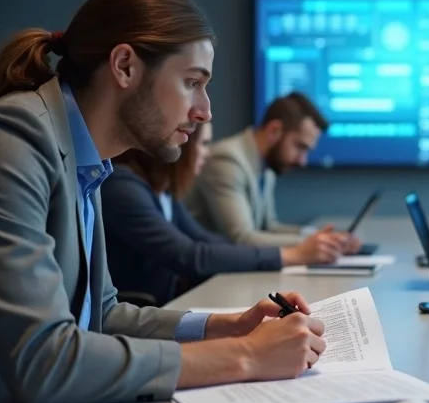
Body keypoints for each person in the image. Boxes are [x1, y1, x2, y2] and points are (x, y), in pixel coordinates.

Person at [0, 0, 326, 403]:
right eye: (192, 83)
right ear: (124, 66)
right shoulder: (8, 143)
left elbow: (100, 315)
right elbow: (45, 361)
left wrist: (226, 327)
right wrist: (244, 357)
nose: (205, 110)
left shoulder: (84, 158)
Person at [102, 121, 347, 306]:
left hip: (163, 306)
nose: (208, 153)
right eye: (204, 143)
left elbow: (209, 241)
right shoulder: (123, 188)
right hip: (140, 318)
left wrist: (279, 255)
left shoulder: (161, 191)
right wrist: (290, 255)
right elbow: (190, 256)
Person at [186, 92, 359, 252]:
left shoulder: (266, 163)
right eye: (300, 147)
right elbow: (242, 238)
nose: (303, 160)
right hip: (206, 280)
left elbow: (267, 226)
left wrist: (316, 236)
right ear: (274, 131)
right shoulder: (227, 160)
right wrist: (316, 243)